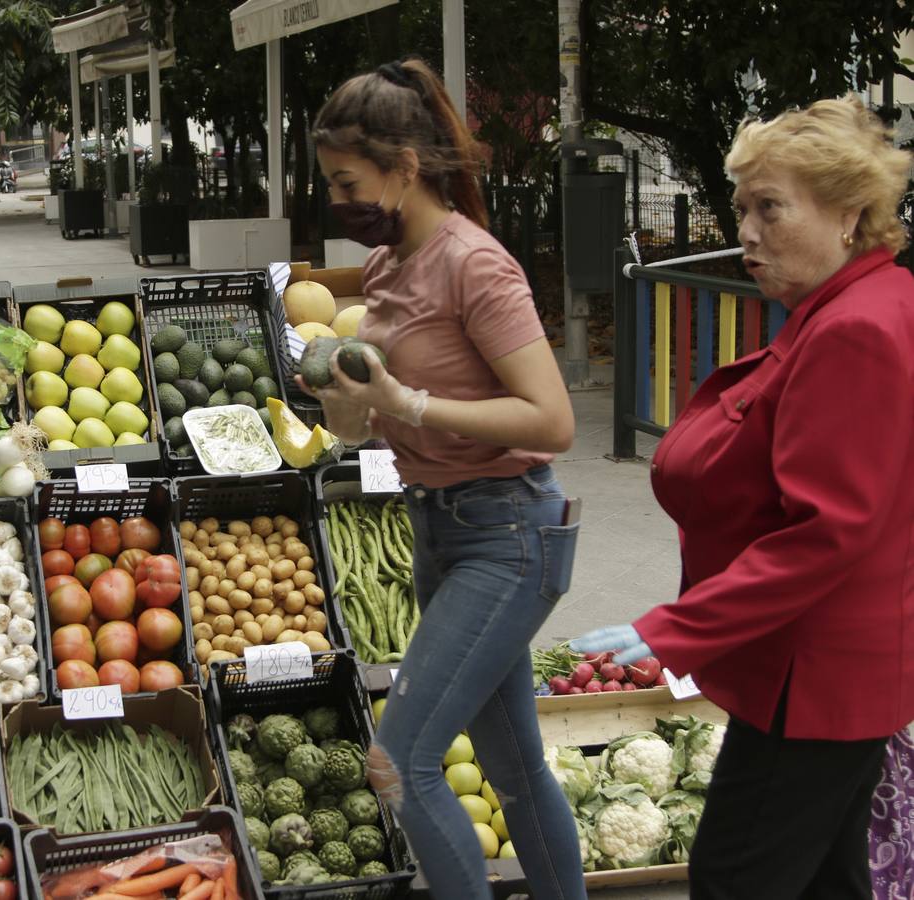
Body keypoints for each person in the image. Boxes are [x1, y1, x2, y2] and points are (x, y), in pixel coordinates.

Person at [573, 95, 914, 899]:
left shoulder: (853, 327)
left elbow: (827, 532)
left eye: (770, 208)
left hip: (815, 677)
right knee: (827, 881)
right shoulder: (861, 303)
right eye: (740, 208)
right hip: (832, 672)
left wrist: (675, 629)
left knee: (734, 876)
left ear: (849, 215)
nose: (747, 232)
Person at [305, 59, 585, 898]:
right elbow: (368, 418)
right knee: (510, 764)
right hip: (439, 530)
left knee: (398, 760)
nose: (337, 199)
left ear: (404, 167)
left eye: (347, 181)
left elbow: (552, 423)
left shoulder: (475, 264)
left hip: (508, 532)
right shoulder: (390, 266)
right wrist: (348, 409)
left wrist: (410, 402)